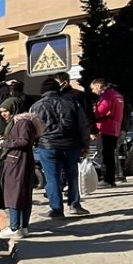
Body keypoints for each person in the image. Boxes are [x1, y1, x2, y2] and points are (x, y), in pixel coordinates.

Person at [30, 75, 92, 218]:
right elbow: (83, 126)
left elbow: (32, 128)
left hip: (48, 146)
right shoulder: (72, 102)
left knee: (52, 178)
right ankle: (74, 205)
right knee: (72, 175)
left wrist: (35, 143)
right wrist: (85, 145)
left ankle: (56, 210)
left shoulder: (37, 106)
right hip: (72, 144)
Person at [0, 108, 44, 240]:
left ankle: (15, 228)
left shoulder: (23, 122)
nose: (3, 114)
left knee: (14, 194)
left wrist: (4, 143)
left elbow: (24, 141)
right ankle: (23, 227)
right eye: (1, 112)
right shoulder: (23, 122)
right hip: (20, 161)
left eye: (6, 110)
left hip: (17, 162)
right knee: (21, 194)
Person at [90, 78, 126, 187]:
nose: (92, 91)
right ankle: (110, 179)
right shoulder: (117, 95)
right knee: (110, 154)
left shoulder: (107, 95)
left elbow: (101, 110)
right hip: (114, 128)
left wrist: (91, 115)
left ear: (98, 86)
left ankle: (107, 179)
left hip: (105, 127)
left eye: (93, 88)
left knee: (104, 154)